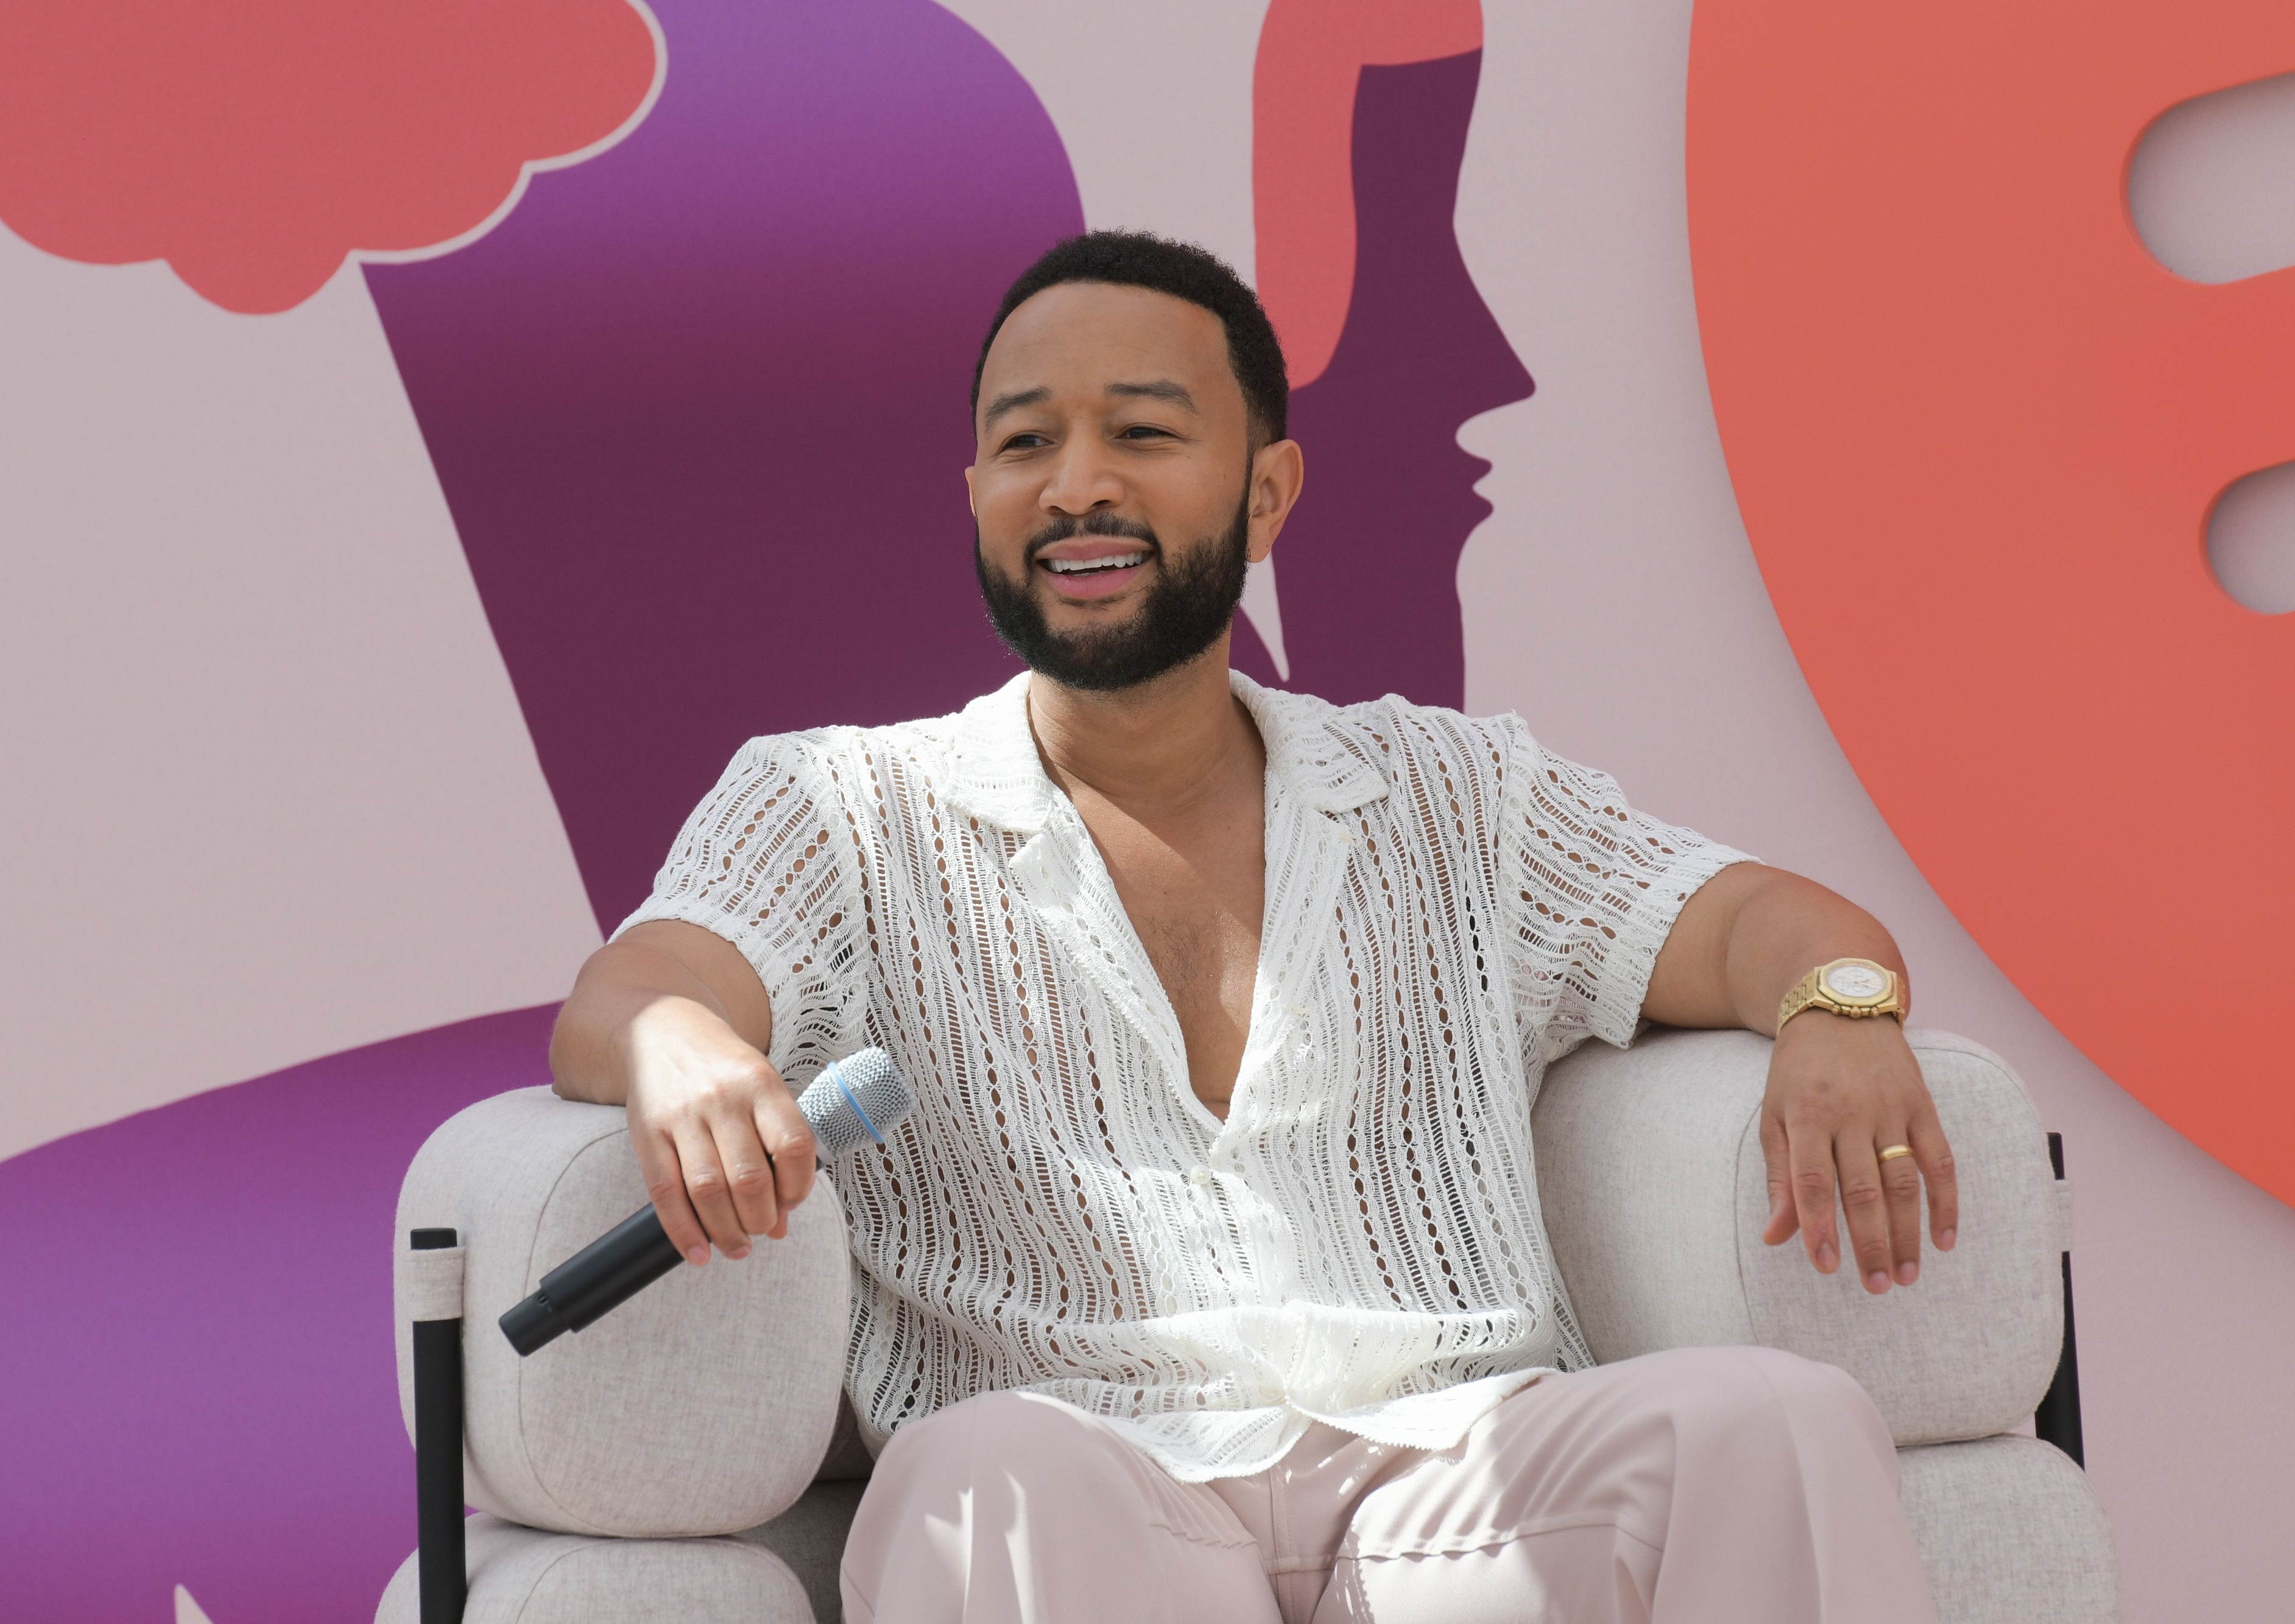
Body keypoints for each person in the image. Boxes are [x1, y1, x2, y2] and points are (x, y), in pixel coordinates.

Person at [550, 231, 1955, 1623]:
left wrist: (1835, 1005)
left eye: (1142, 432)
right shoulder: (839, 801)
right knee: (987, 1476)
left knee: (1781, 1419)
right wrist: (673, 1039)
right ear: (975, 491)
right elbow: (642, 980)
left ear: (1265, 491)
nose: (1077, 485)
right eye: (1026, 442)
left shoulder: (1455, 790)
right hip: (1088, 1489)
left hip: (1456, 1479)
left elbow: (1768, 921)